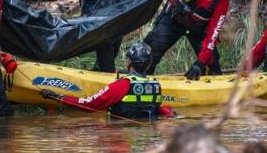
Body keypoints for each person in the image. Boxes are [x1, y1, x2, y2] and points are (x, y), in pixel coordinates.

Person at [143, 0, 237, 79]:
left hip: (197, 30)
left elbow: (213, 35)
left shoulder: (222, 2)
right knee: (150, 52)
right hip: (173, 19)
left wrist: (200, 63)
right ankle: (141, 78)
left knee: (212, 66)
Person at [39, 42, 174, 119]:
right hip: (146, 137)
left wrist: (58, 97)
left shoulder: (122, 85)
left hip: (120, 135)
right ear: (149, 64)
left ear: (128, 62)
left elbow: (89, 104)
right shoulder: (156, 86)